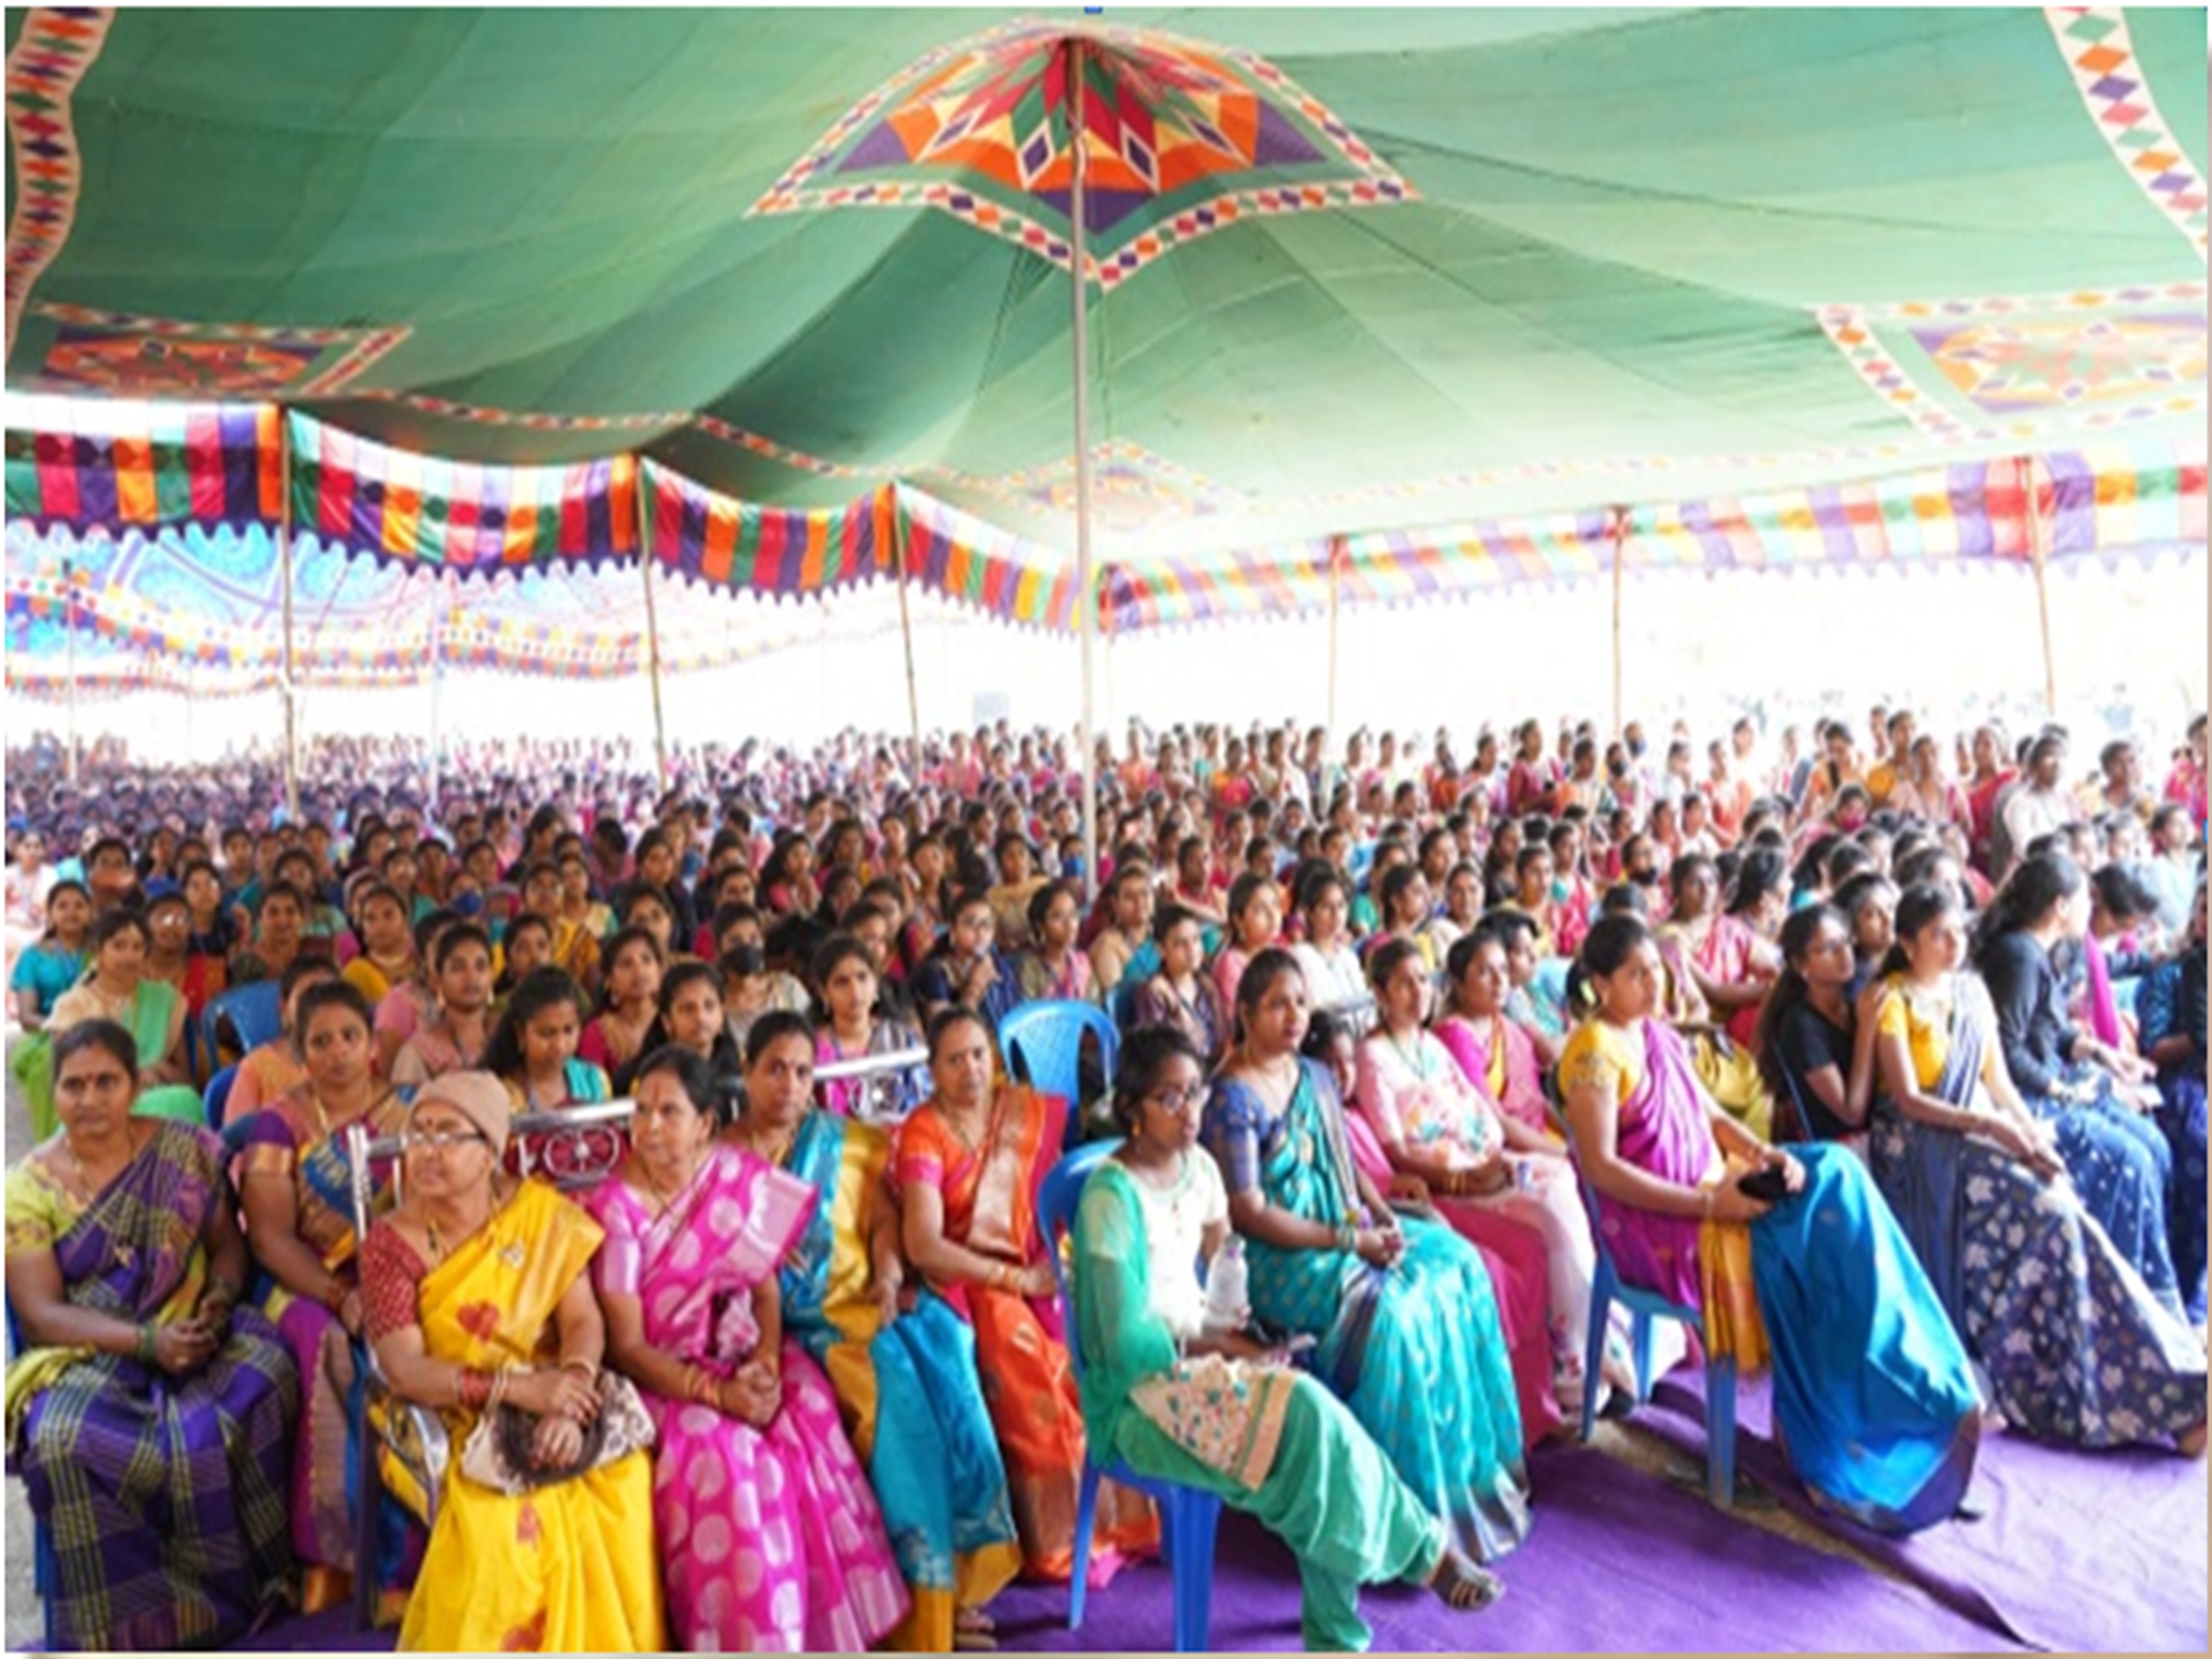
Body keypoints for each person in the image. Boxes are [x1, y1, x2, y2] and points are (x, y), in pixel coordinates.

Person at [1071, 1025, 1505, 1651]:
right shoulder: (1111, 1199)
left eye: (1196, 1093)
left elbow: (1225, 1267)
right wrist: (1222, 1348)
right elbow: (1123, 1342)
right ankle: (1416, 1564)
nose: (1190, 1112)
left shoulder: (1200, 1169)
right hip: (1140, 1395)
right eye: (1169, 1098)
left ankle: (1350, 1622)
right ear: (1133, 1107)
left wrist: (1246, 1326)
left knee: (1316, 1444)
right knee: (1308, 1419)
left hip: (1200, 1362)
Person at [1560, 914, 1983, 1531]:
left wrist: (1764, 1156)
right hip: (1659, 1228)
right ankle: (1863, 1426)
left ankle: (1889, 1418)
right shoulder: (1591, 1054)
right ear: (1600, 984)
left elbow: (1711, 1118)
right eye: (1636, 976)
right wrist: (1711, 1205)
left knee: (1833, 1185)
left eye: (1657, 971)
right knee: (1822, 1234)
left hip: (1713, 1191)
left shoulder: (1657, 1036)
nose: (1655, 986)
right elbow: (1601, 1170)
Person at [1203, 950, 1531, 1566]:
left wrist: (1382, 1216)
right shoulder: (1231, 1098)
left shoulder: (1315, 1076)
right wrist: (1350, 1241)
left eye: (1301, 1003)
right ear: (1244, 1014)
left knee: (1459, 1266)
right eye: (1277, 1005)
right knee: (1395, 1317)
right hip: (1280, 1259)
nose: (1294, 1016)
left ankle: (1467, 1493)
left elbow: (1345, 1163)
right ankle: (1391, 1521)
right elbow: (1248, 1211)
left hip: (1345, 1225)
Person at [1862, 882, 2206, 1453]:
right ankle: (2163, 1398)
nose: (1955, 945)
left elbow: (1999, 1084)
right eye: (1939, 936)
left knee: (2069, 1206)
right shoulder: (1891, 1000)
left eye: (1959, 932)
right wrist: (1997, 1130)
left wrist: (2030, 1139)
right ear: (1907, 943)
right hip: (1925, 1147)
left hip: (1982, 1132)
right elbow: (1909, 1101)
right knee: (2056, 1223)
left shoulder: (1972, 993)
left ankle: (2175, 1392)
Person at [588, 1045, 908, 1651]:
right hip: (664, 1378)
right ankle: (748, 1638)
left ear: (705, 1124)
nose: (650, 1127)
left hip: (739, 1351)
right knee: (732, 1455)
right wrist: (718, 1393)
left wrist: (764, 1360)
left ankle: (827, 1630)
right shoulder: (617, 1208)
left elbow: (764, 1287)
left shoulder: (730, 1176)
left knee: (807, 1407)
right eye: (641, 1111)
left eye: (669, 1112)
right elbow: (626, 1346)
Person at [730, 1013, 1023, 1652]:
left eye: (802, 1072)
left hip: (865, 1298)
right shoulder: (723, 1158)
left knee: (948, 1360)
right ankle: (922, 1605)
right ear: (746, 1073)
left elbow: (886, 1224)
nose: (789, 1085)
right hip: (785, 1323)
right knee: (901, 1410)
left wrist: (888, 1279)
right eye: (774, 1069)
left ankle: (962, 1583)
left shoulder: (846, 1143)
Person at [3, 1021, 299, 1652]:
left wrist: (218, 1303)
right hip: (92, 1352)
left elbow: (228, 1247)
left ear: (135, 1085)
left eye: (106, 1082)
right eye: (74, 1085)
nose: (90, 1099)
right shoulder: (27, 1188)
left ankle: (259, 1588)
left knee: (267, 1374)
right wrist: (146, 1344)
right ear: (54, 1092)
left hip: (193, 1328)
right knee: (62, 1437)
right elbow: (41, 1314)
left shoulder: (183, 1149)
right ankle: (133, 1627)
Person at [357, 1072, 668, 1650]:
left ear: (490, 1152)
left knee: (623, 1487)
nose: (427, 1151)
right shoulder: (390, 1246)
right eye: (418, 1135)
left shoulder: (539, 1214)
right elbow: (406, 1371)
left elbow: (582, 1321)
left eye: (448, 1136)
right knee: (507, 1529)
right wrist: (516, 1391)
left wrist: (570, 1397)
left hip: (555, 1391)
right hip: (451, 1410)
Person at [893, 1007, 1158, 1582]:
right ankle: (1062, 1541)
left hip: (1037, 1265)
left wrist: (1055, 1266)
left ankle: (1124, 1522)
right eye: (954, 1060)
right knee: (1031, 1371)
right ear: (932, 1070)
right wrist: (1014, 1280)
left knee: (1099, 1351)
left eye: (978, 1055)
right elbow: (924, 1245)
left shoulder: (1020, 1112)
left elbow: (1051, 1201)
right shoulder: (924, 1132)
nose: (970, 1070)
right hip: (970, 1279)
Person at [1352, 937, 1626, 1417]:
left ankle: (1597, 1344)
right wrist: (1465, 1178)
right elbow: (1396, 1150)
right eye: (1403, 984)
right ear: (1379, 993)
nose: (1418, 992)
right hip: (1450, 1182)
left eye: (1423, 980)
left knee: (1564, 1182)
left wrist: (1497, 1160)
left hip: (1485, 1162)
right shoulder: (1372, 1056)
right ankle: (1580, 1365)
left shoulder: (1431, 1046)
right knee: (1552, 1216)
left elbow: (1479, 1111)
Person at [238, 978, 414, 1610]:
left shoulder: (408, 1111)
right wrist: (340, 1295)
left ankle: (427, 1552)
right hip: (306, 1279)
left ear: (372, 1044)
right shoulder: (280, 1123)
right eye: (321, 1042)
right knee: (333, 1348)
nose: (338, 1052)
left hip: (399, 1269)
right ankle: (338, 1557)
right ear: (299, 1051)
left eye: (350, 1037)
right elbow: (269, 1238)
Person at [1973, 853, 2186, 1322]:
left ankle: (2155, 1291)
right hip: (2028, 1101)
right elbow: (2007, 1053)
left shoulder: (2040, 952)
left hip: (2055, 1083)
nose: (2092, 911)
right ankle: (2117, 1299)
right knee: (2130, 1160)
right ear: (2060, 906)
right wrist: (2062, 1090)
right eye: (2085, 901)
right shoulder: (2019, 956)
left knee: (2153, 1141)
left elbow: (2049, 1030)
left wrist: (2101, 1054)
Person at [34, 908, 201, 1131]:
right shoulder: (73, 1006)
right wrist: (129, 1078)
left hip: (156, 1098)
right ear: (98, 951)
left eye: (138, 948)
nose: (130, 956)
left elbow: (186, 1078)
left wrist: (161, 1070)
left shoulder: (165, 1000)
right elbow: (66, 1080)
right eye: (119, 946)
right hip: (96, 1102)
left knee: (185, 1099)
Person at [2136, 881, 2208, 1324]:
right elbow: (2155, 1047)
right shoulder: (2175, 974)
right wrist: (2199, 1040)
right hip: (2185, 1080)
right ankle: (2195, 1300)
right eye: (2205, 910)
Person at [1752, 905, 1868, 1145]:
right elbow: (1851, 1113)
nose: (1844, 953)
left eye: (1846, 941)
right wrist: (1870, 1029)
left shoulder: (1856, 997)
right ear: (1801, 965)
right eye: (1829, 948)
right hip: (1844, 1143)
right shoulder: (1801, 1024)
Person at [1432, 927, 1557, 1148]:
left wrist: (1575, 1142)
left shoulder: (1507, 1027)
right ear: (1459, 984)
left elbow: (1537, 1101)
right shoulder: (1455, 1035)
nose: (1500, 981)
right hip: (1498, 1149)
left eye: (1504, 970)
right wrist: (1562, 1155)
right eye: (1485, 973)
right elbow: (1494, 1120)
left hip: (1537, 1137)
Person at [812, 933, 928, 1121]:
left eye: (863, 978)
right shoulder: (813, 1051)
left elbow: (925, 1101)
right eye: (842, 983)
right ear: (824, 994)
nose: (855, 991)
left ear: (876, 984)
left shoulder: (900, 1040)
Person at [483, 966, 611, 1112]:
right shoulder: (502, 1094)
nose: (560, 1046)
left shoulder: (594, 1082)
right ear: (521, 1033)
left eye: (568, 1031)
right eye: (547, 1034)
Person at [224, 957, 337, 1123]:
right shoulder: (257, 1070)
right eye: (306, 999)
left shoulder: (353, 1063)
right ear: (284, 1007)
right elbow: (236, 1135)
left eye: (330, 999)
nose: (318, 1009)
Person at [389, 922, 495, 1086]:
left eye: (480, 967)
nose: (471, 977)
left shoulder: (508, 1039)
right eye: (458, 968)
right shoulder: (420, 1053)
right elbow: (404, 1101)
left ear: (492, 976)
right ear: (439, 980)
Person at [1132, 904, 1232, 1064]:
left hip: (1214, 1066)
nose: (1192, 949)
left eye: (1196, 940)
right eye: (1180, 944)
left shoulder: (1206, 985)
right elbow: (1155, 1052)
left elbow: (1222, 1037)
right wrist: (1177, 1011)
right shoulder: (1155, 993)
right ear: (1161, 951)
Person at [914, 889, 1022, 1035]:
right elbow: (947, 1034)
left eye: (986, 925)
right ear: (953, 930)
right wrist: (975, 987)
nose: (980, 932)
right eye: (971, 924)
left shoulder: (998, 964)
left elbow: (1016, 1016)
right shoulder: (937, 973)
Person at [9, 876, 90, 1032]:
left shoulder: (103, 953)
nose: (71, 913)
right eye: (62, 907)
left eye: (79, 906)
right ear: (50, 914)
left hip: (100, 1036)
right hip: (49, 1034)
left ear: (90, 913)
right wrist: (64, 1029)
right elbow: (27, 1016)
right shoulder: (32, 957)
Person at [1290, 867, 1368, 1014]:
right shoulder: (1300, 956)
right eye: (1326, 907)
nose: (1336, 914)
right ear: (1309, 913)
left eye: (1341, 906)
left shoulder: (1349, 957)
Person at [1014, 878, 1095, 1004]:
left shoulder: (1082, 964)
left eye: (1073, 915)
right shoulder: (1030, 970)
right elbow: (1028, 1012)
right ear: (1041, 926)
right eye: (1058, 917)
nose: (1070, 924)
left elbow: (1094, 1009)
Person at [1213, 870, 1284, 1014]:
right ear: (1239, 921)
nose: (1273, 915)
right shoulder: (1231, 964)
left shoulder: (1281, 954)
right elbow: (1238, 1017)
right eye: (1260, 910)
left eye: (1275, 905)